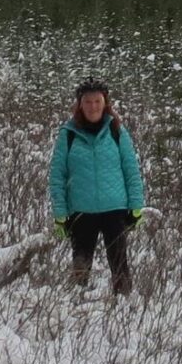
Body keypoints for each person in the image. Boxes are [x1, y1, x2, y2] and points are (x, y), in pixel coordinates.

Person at [48, 78, 145, 294]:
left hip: (115, 209)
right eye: (88, 102)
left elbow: (131, 168)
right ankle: (75, 306)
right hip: (82, 211)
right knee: (81, 266)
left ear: (105, 103)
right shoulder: (69, 134)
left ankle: (124, 305)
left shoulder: (116, 130)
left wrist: (136, 205)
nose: (93, 106)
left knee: (120, 264)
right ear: (80, 105)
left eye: (97, 101)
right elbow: (57, 175)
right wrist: (60, 212)